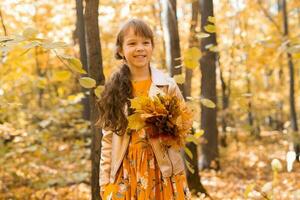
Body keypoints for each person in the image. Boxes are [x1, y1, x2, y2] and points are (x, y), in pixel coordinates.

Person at [96, 19, 191, 200]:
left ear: (152, 47)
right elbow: (108, 139)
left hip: (163, 170)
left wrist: (167, 127)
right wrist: (104, 181)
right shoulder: (115, 89)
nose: (140, 48)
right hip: (126, 171)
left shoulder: (166, 85)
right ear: (120, 50)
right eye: (132, 43)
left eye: (145, 43)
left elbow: (184, 125)